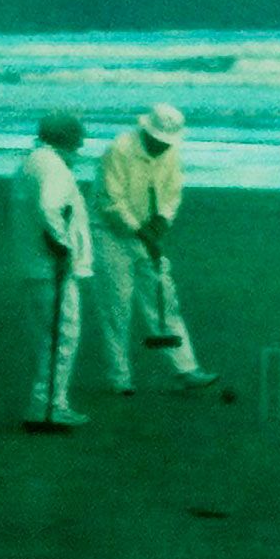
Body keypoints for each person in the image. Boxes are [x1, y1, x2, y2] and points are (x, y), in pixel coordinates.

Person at [92, 104, 219, 395]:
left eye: (167, 142)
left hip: (148, 232)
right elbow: (111, 201)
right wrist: (141, 232)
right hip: (109, 233)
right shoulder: (119, 150)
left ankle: (186, 369)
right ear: (146, 131)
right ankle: (120, 377)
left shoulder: (171, 152)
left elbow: (173, 192)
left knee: (164, 299)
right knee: (116, 306)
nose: (162, 146)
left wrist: (161, 221)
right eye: (158, 140)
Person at [10, 113, 92, 431]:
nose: (80, 147)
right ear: (66, 138)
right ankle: (49, 407)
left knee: (50, 336)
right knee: (63, 335)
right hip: (51, 267)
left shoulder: (32, 161)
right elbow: (49, 207)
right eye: (77, 140)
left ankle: (46, 404)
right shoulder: (52, 166)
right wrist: (63, 245)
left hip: (34, 264)